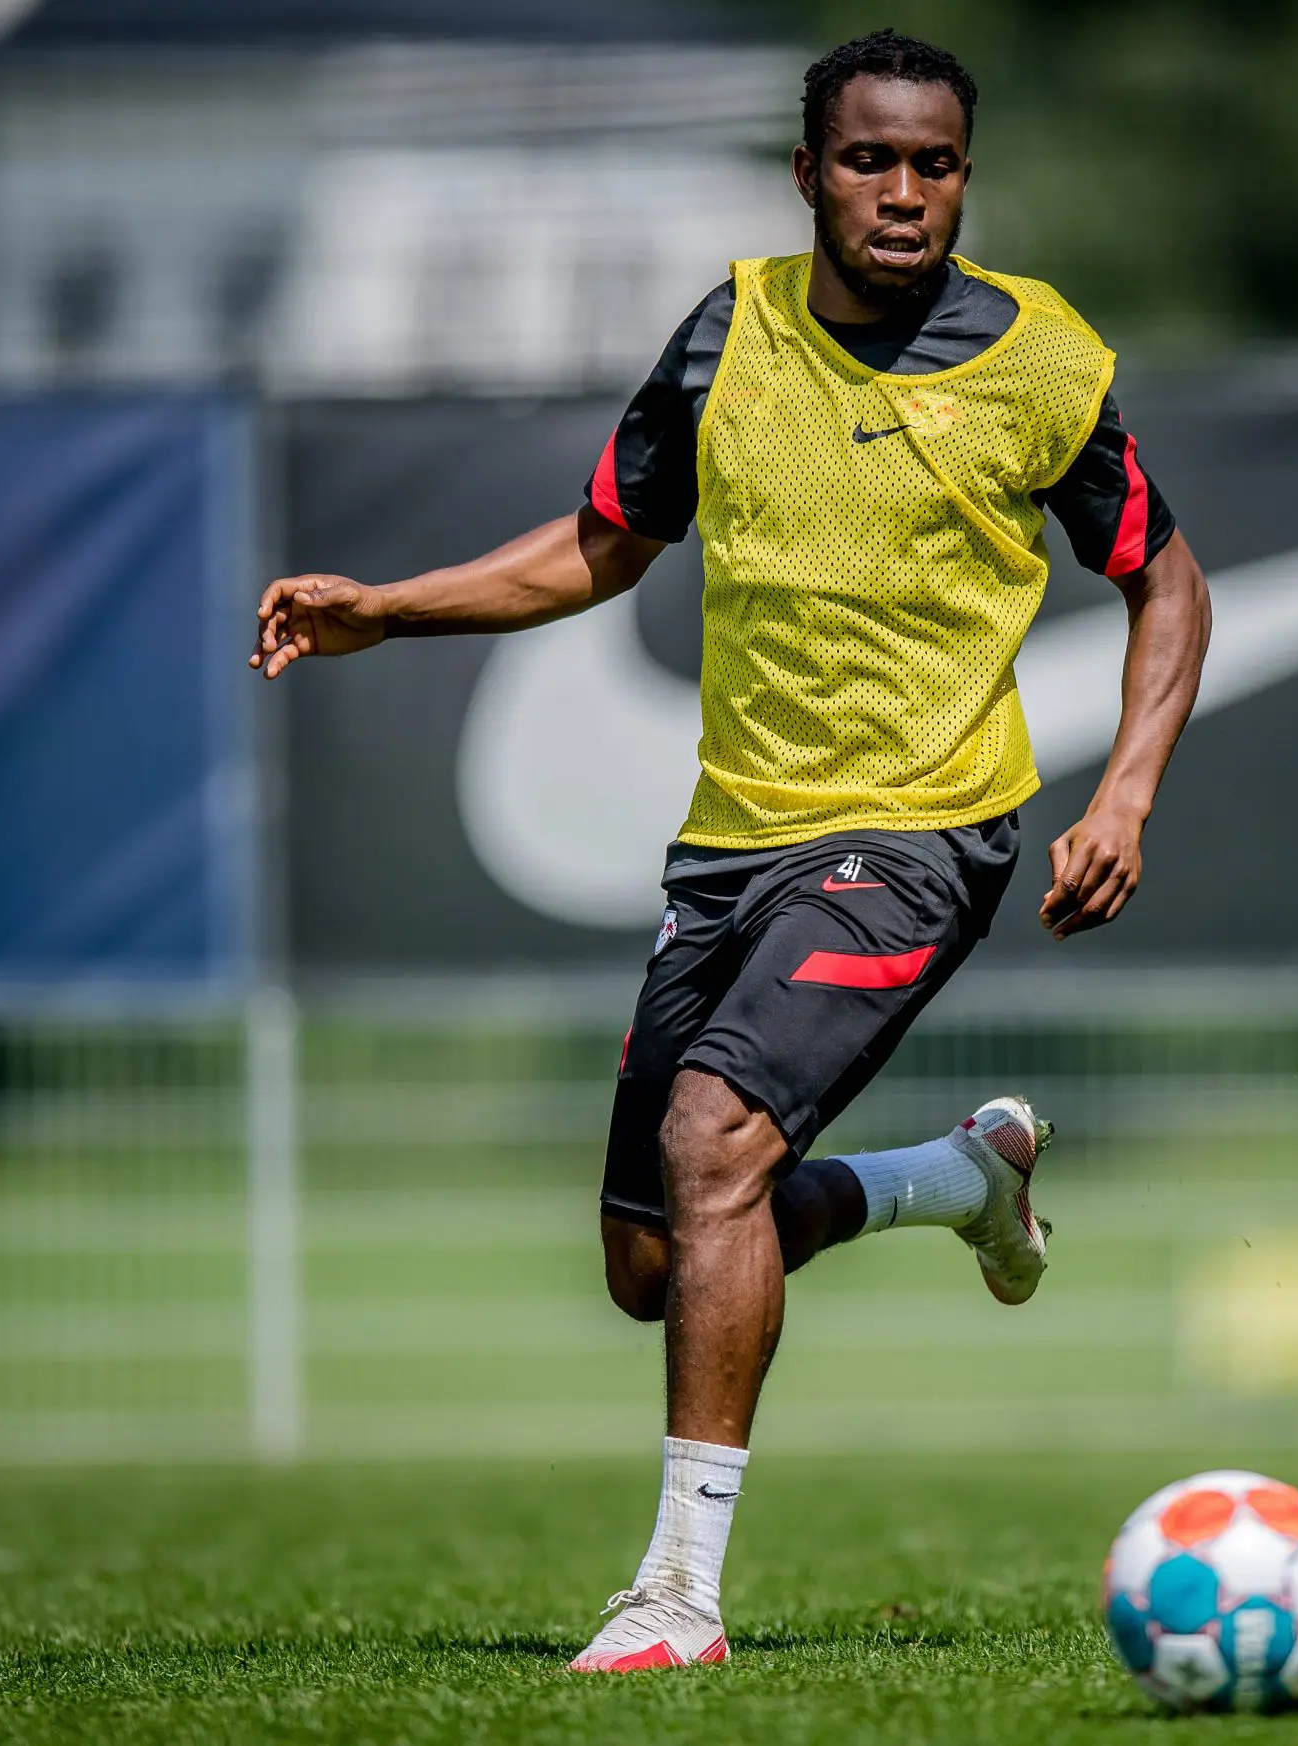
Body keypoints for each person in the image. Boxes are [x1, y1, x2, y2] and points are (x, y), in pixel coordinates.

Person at [251, 29, 1211, 1673]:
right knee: (652, 1260)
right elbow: (605, 541)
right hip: (730, 844)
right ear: (807, 173)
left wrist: (1122, 794)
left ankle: (677, 1595)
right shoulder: (727, 335)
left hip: (924, 830)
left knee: (714, 1145)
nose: (903, 192)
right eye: (869, 160)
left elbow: (1167, 579)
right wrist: (390, 609)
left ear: (963, 178)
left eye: (934, 165)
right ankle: (954, 1179)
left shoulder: (1038, 358)